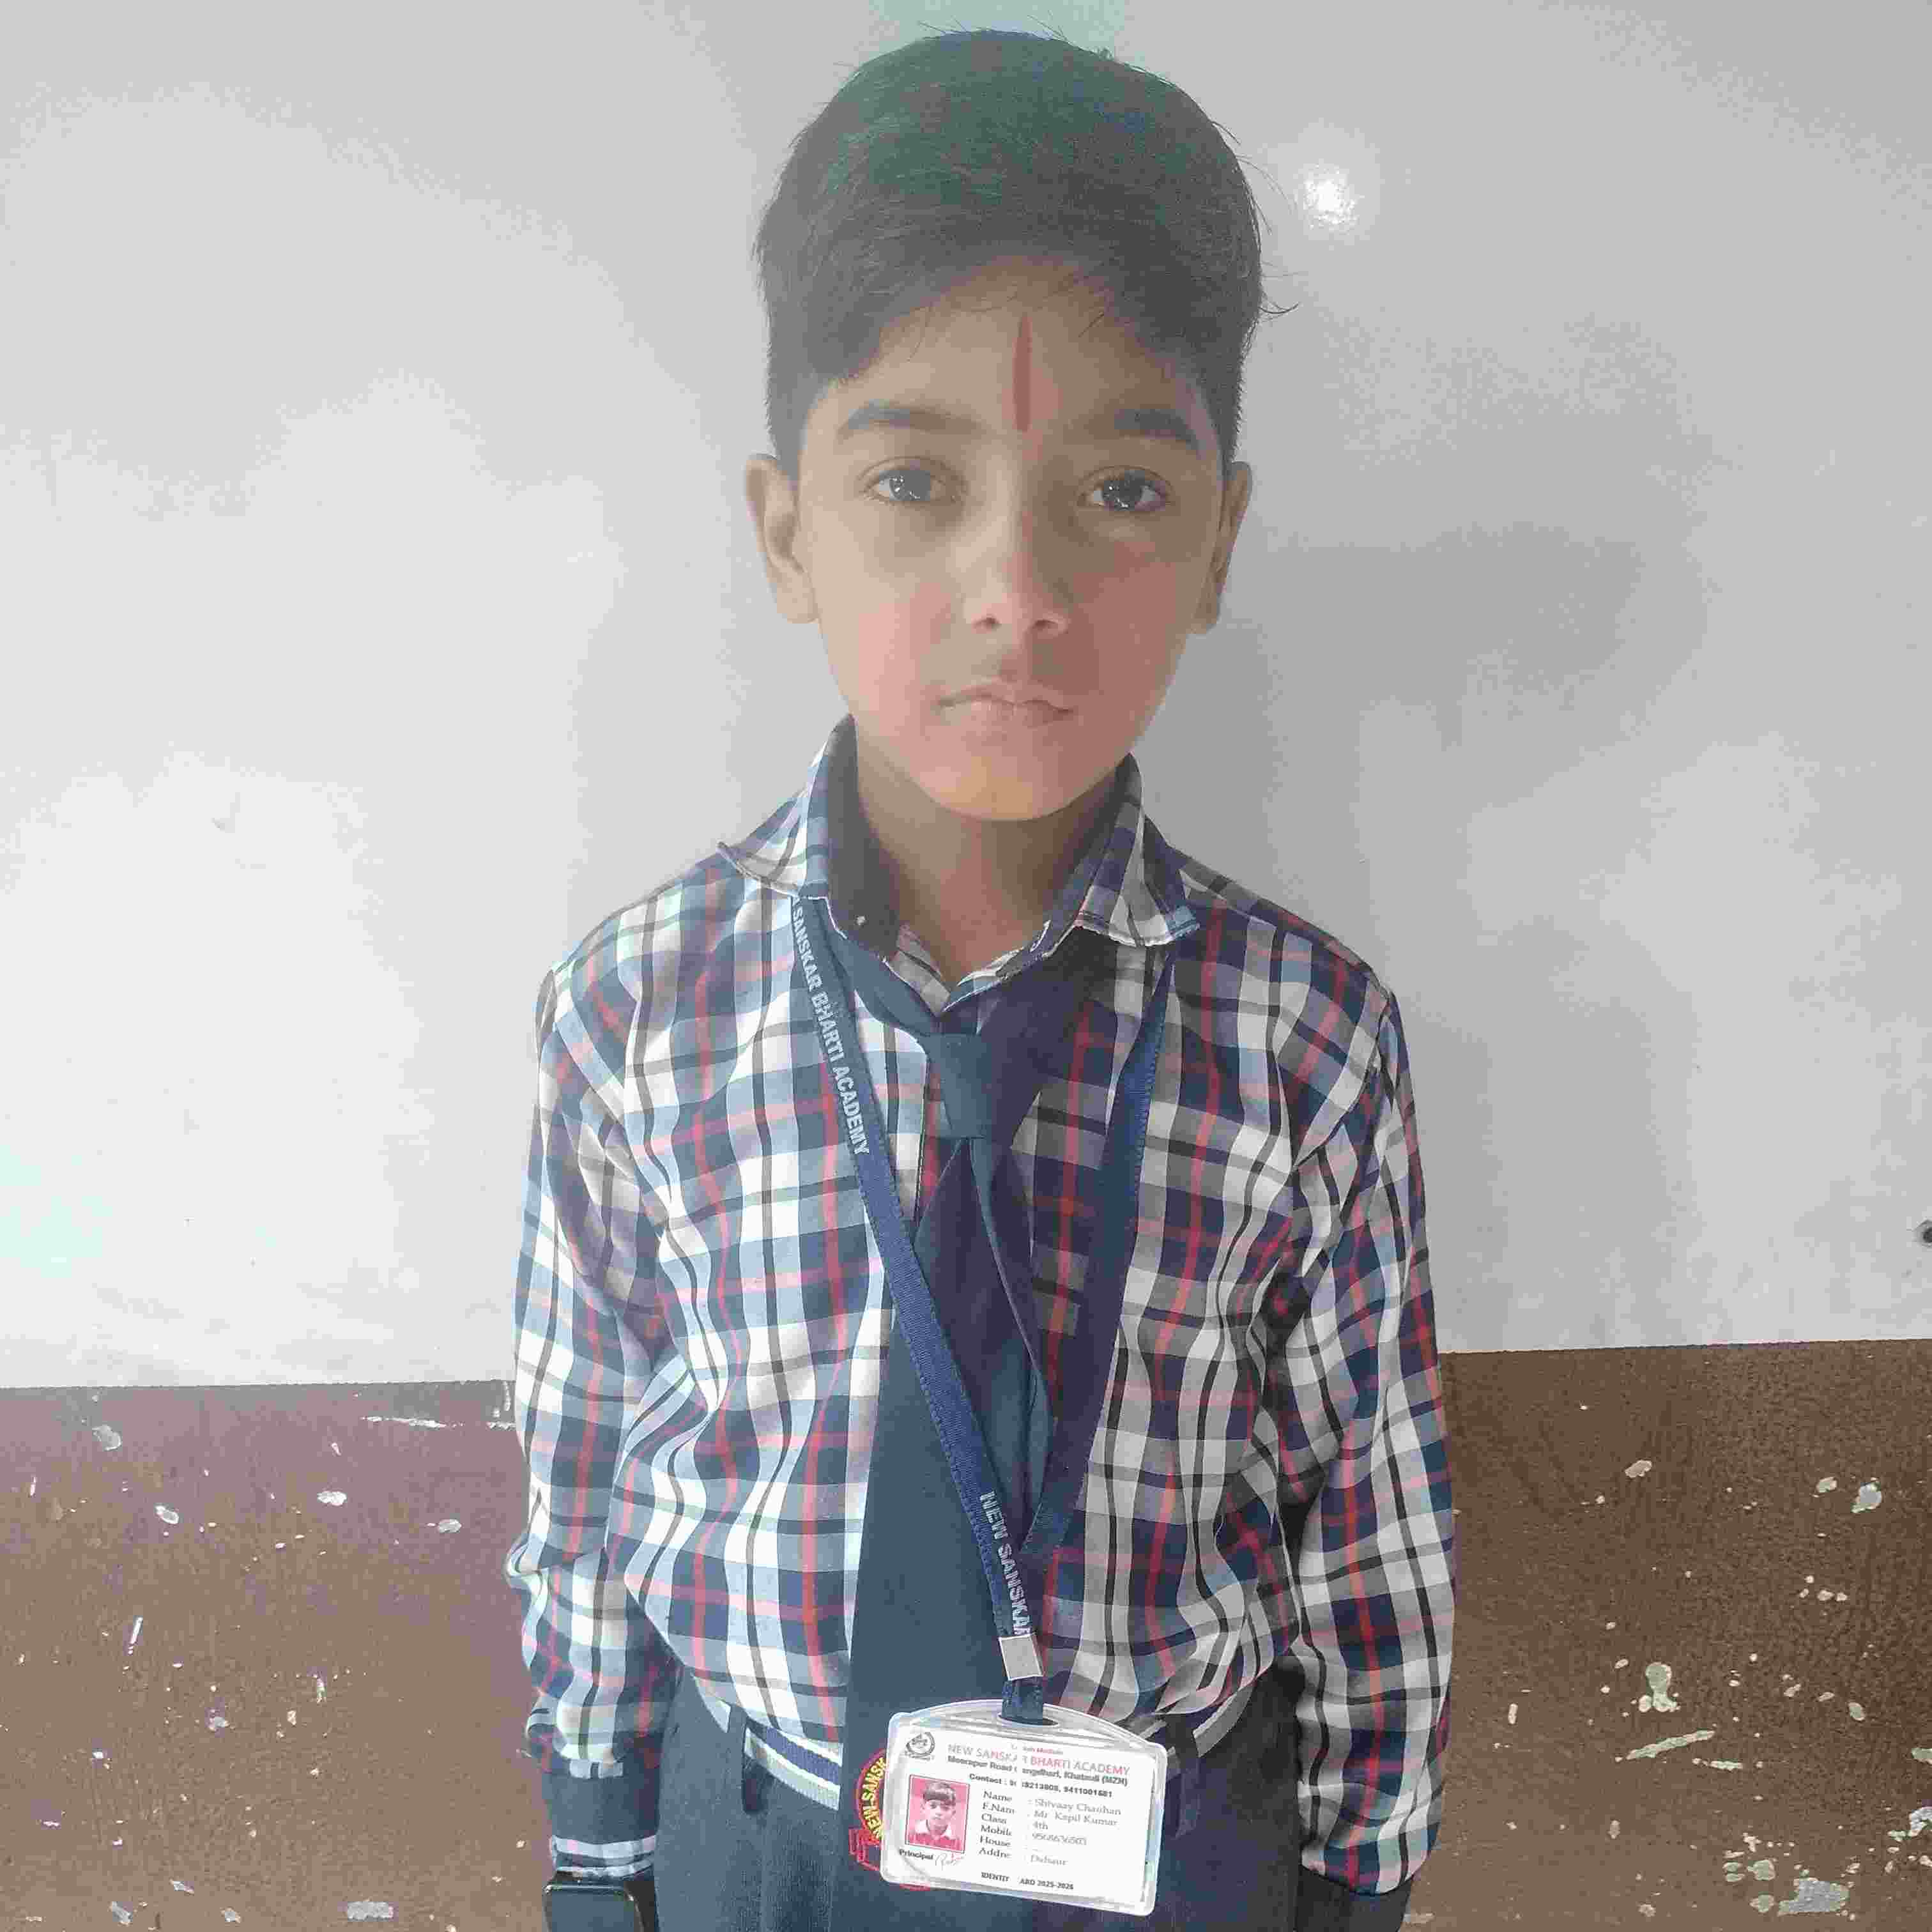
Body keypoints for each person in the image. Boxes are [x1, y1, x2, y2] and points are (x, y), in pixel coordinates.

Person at [509, 26, 1454, 1932]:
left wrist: (1359, 1876)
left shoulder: (1306, 1041)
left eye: (1122, 493)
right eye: (913, 480)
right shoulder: (632, 1010)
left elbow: (1366, 1515)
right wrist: (598, 1849)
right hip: (763, 1832)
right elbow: (585, 1470)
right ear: (787, 531)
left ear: (1218, 545)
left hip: (1165, 1844)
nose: (1014, 585)